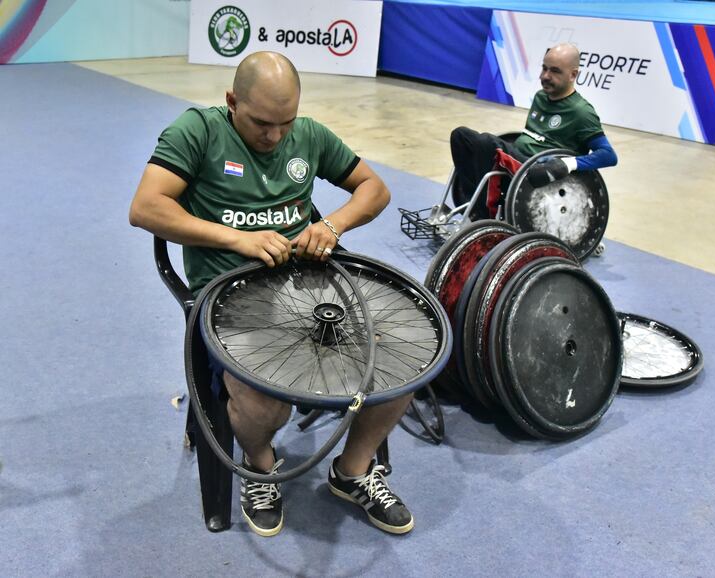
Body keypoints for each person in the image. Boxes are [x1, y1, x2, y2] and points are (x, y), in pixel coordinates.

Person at [129, 51, 415, 536]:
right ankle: (261, 468)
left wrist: (332, 223)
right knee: (267, 404)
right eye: (262, 123)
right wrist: (237, 238)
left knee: (401, 360)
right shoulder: (197, 131)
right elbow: (145, 208)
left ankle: (352, 471)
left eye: (285, 123)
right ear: (231, 101)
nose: (275, 137)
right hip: (227, 295)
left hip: (308, 287)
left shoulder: (309, 135)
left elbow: (375, 189)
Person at [450, 42, 618, 220]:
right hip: (518, 159)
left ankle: (483, 217)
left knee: (487, 143)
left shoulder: (581, 112)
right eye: (544, 68)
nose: (545, 76)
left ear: (573, 75)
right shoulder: (540, 97)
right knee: (461, 136)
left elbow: (608, 155)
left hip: (537, 172)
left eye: (555, 71)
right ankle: (472, 203)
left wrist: (567, 164)